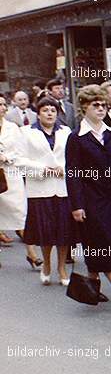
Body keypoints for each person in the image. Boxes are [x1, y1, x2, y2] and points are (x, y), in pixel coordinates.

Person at [65, 85, 111, 311]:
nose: (101, 109)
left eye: (104, 105)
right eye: (96, 105)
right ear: (84, 107)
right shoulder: (76, 138)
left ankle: (93, 282)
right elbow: (72, 173)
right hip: (90, 198)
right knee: (103, 240)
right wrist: (77, 204)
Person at [18, 97, 76, 285]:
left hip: (62, 187)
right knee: (46, 231)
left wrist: (64, 168)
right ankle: (47, 265)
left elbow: (73, 156)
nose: (49, 113)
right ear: (38, 113)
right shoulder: (27, 132)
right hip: (39, 188)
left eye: (53, 110)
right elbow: (20, 159)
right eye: (45, 110)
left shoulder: (66, 131)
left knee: (63, 231)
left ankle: (62, 268)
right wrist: (43, 169)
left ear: (57, 113)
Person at [0, 93, 39, 269]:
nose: (1, 108)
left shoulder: (12, 128)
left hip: (11, 173)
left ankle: (31, 254)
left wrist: (6, 156)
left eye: (2, 105)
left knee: (21, 213)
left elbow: (20, 150)